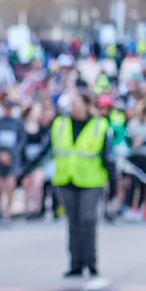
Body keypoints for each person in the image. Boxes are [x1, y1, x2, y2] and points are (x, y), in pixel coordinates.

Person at [51, 90, 114, 278]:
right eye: (71, 103)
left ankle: (91, 262)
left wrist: (114, 181)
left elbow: (107, 156)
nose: (73, 107)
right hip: (66, 179)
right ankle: (75, 263)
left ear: (87, 105)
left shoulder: (99, 126)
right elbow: (49, 149)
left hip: (91, 180)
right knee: (73, 222)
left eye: (76, 103)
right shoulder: (60, 124)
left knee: (87, 219)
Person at [0, 101, 28, 221]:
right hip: (0, 157)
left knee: (10, 184)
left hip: (12, 158)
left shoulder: (18, 123)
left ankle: (9, 210)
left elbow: (21, 141)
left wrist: (11, 154)